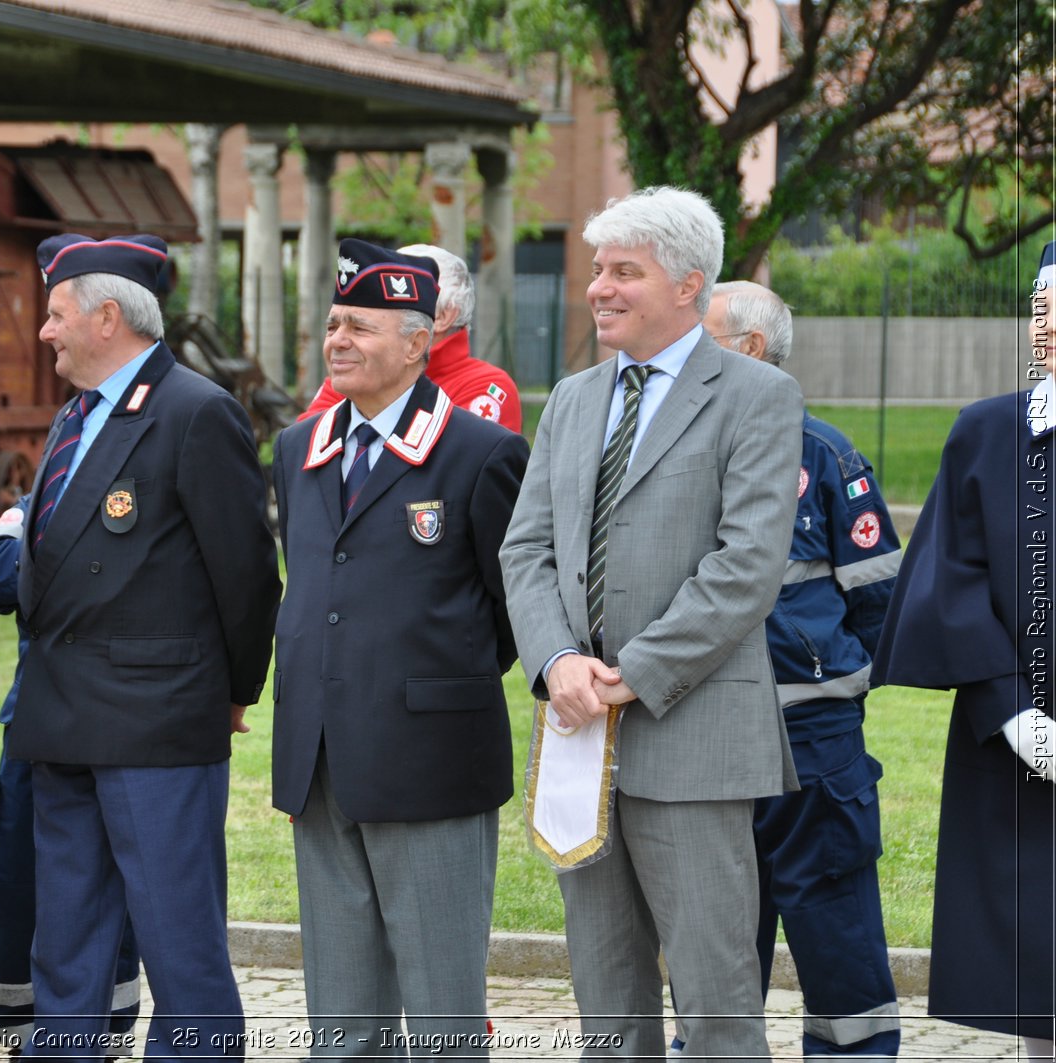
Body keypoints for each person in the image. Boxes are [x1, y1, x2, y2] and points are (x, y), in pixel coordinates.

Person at [498, 186, 803, 1059]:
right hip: (577, 736)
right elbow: (526, 552)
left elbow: (746, 565)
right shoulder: (573, 397)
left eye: (624, 271)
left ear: (688, 285)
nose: (599, 287)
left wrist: (630, 672)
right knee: (605, 989)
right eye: (597, 269)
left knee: (713, 994)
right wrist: (558, 658)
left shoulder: (757, 396)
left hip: (693, 732)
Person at [9, 233, 280, 1061]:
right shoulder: (74, 413)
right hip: (62, 721)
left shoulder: (196, 411)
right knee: (67, 942)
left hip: (158, 726)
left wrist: (229, 694)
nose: (45, 331)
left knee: (178, 940)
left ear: (106, 316)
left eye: (56, 315)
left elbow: (247, 576)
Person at [270, 238, 529, 1058]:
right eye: (334, 322)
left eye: (362, 326)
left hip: (431, 759)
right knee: (342, 1024)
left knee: (444, 1020)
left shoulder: (480, 452)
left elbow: (511, 608)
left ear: (418, 343)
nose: (337, 340)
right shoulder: (296, 450)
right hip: (320, 762)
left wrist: (428, 685)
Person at [668, 281, 901, 1058]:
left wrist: (827, 689)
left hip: (812, 743)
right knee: (714, 938)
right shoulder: (671, 450)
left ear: (750, 349)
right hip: (700, 736)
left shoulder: (826, 453)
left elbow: (879, 602)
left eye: (699, 336)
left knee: (835, 926)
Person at [871, 242, 1056, 1062]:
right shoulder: (987, 435)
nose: (1045, 323)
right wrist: (1014, 714)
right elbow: (951, 581)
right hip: (1018, 748)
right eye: (1038, 305)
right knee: (1036, 973)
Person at [0, 496, 141, 1056]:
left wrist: (58, 561)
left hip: (126, 721)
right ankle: (21, 1026)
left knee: (117, 879)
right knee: (20, 875)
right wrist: (93, 560)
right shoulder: (41, 497)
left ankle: (108, 1027)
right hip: (34, 726)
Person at [305, 243, 523, 432]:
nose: (339, 341)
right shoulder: (360, 373)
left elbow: (446, 466)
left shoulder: (483, 385)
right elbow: (304, 453)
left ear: (443, 315)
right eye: (333, 326)